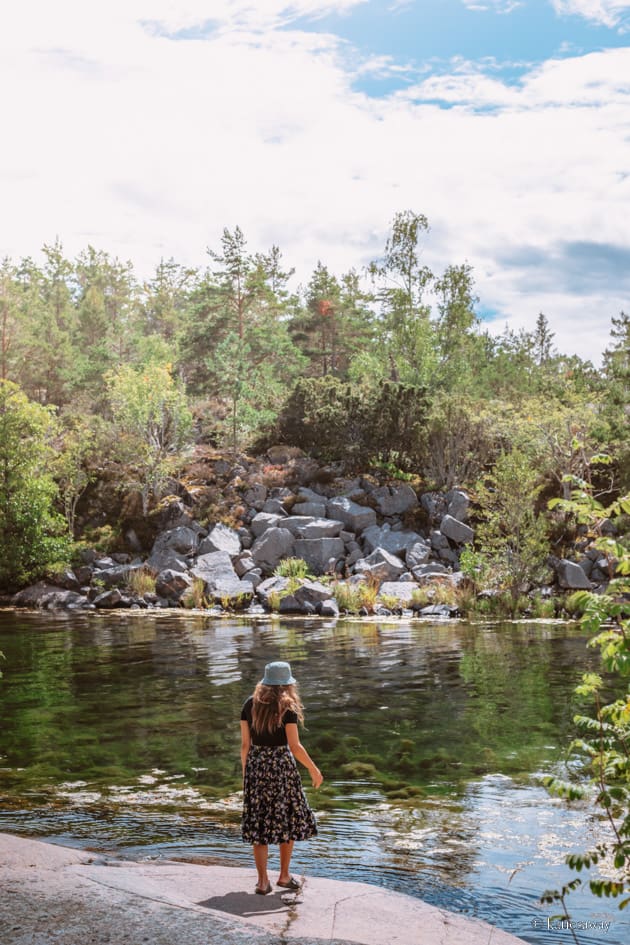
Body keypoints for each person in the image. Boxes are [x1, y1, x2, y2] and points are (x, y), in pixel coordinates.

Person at [240, 660, 323, 895]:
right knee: (287, 819)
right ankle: (284, 876)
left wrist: (248, 775)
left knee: (259, 823)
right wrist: (313, 768)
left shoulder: (249, 704)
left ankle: (262, 882)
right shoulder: (287, 706)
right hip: (281, 767)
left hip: (256, 767)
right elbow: (295, 747)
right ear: (286, 685)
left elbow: (245, 745)